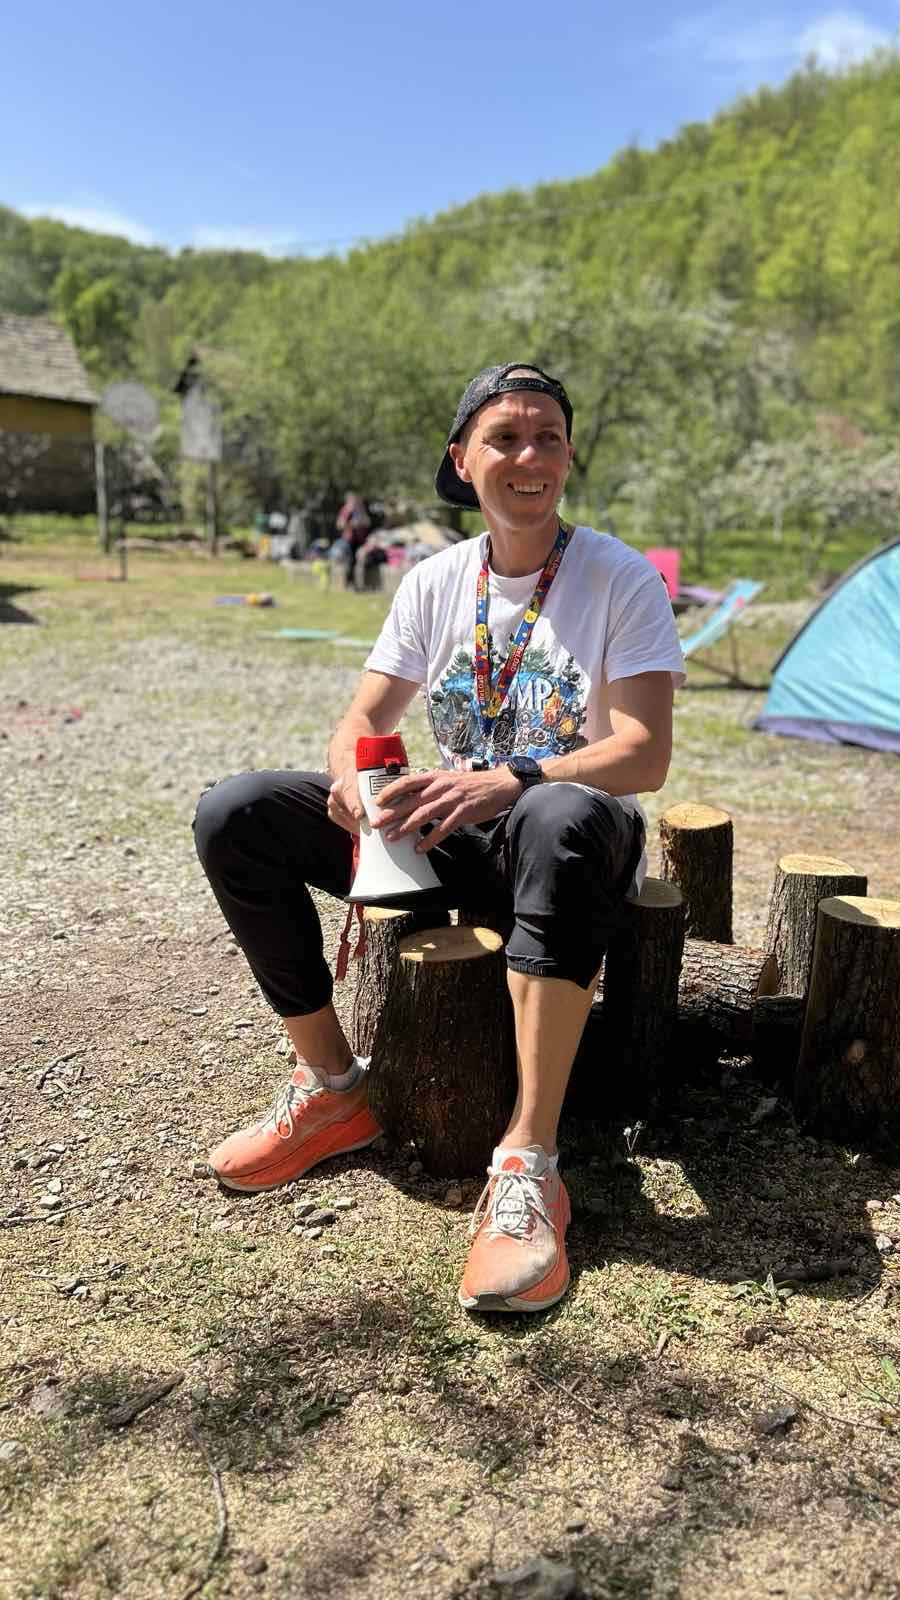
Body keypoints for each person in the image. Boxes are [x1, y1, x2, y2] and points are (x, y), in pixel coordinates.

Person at [193, 363, 684, 1313]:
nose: (529, 455)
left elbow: (643, 754)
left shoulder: (619, 576)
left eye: (548, 437)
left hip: (571, 838)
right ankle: (333, 1088)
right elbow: (362, 717)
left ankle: (530, 1162)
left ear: (569, 456)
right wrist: (353, 778)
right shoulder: (434, 581)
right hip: (454, 839)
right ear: (463, 460)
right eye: (506, 438)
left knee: (557, 813)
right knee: (237, 814)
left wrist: (514, 776)